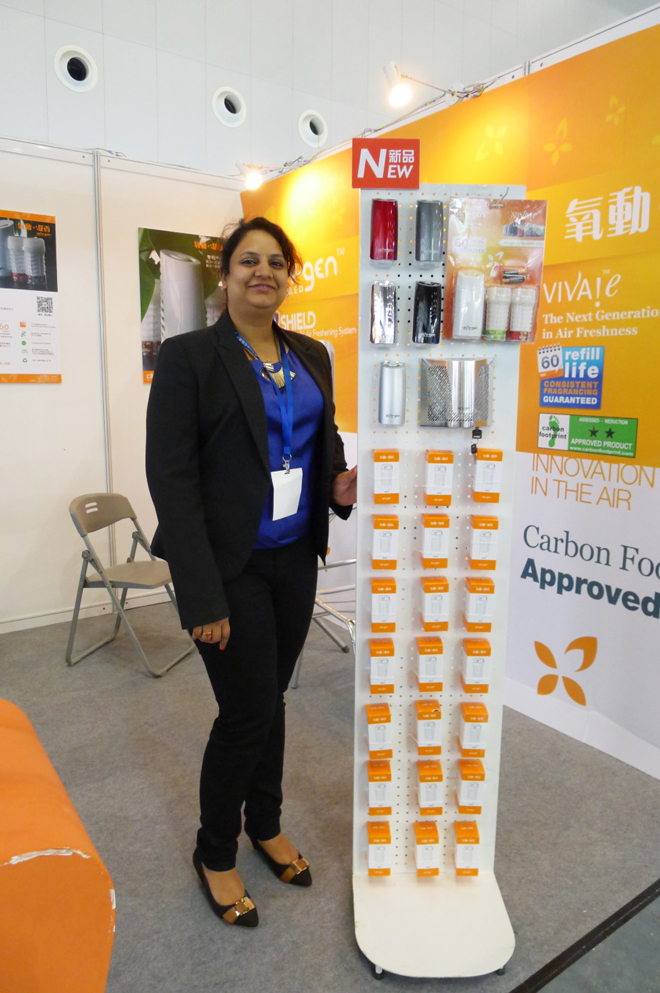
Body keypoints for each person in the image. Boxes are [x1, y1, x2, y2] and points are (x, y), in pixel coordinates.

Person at [145, 217, 356, 928]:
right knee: (245, 711)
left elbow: (322, 439)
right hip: (226, 565)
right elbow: (172, 478)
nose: (263, 272)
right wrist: (201, 594)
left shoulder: (312, 354)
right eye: (248, 261)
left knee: (272, 698)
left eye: (276, 262)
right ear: (226, 273)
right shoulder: (189, 357)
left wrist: (339, 486)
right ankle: (214, 851)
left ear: (290, 276)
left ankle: (265, 823)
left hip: (294, 558)